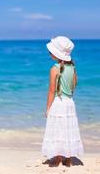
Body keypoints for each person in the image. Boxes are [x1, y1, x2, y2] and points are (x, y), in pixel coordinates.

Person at [42, 36, 84, 167]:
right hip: (70, 102)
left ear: (56, 54)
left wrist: (48, 108)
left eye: (51, 52)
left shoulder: (54, 69)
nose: (50, 54)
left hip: (59, 102)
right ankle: (68, 158)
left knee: (58, 128)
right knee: (68, 128)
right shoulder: (72, 68)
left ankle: (58, 157)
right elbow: (74, 84)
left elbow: (51, 90)